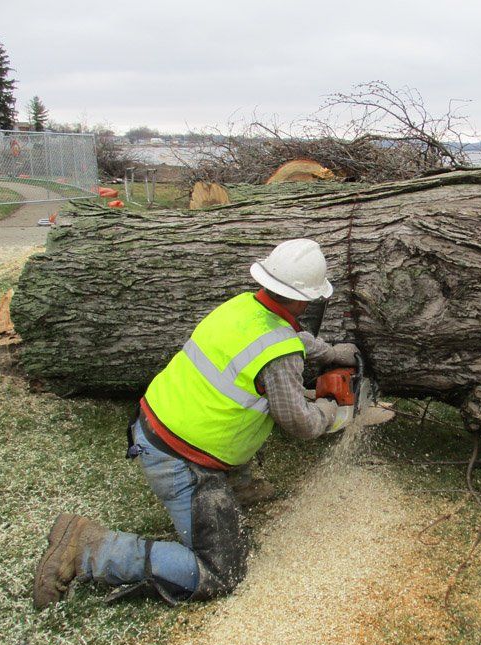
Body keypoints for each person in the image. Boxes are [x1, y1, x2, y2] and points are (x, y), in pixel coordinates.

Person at [33, 239, 359, 607]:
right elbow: (299, 423)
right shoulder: (278, 355)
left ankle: (235, 488)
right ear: (306, 299)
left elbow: (290, 340)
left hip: (157, 423)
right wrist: (332, 408)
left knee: (244, 404)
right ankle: (89, 547)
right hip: (180, 460)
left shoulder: (242, 307)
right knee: (221, 572)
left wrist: (329, 352)